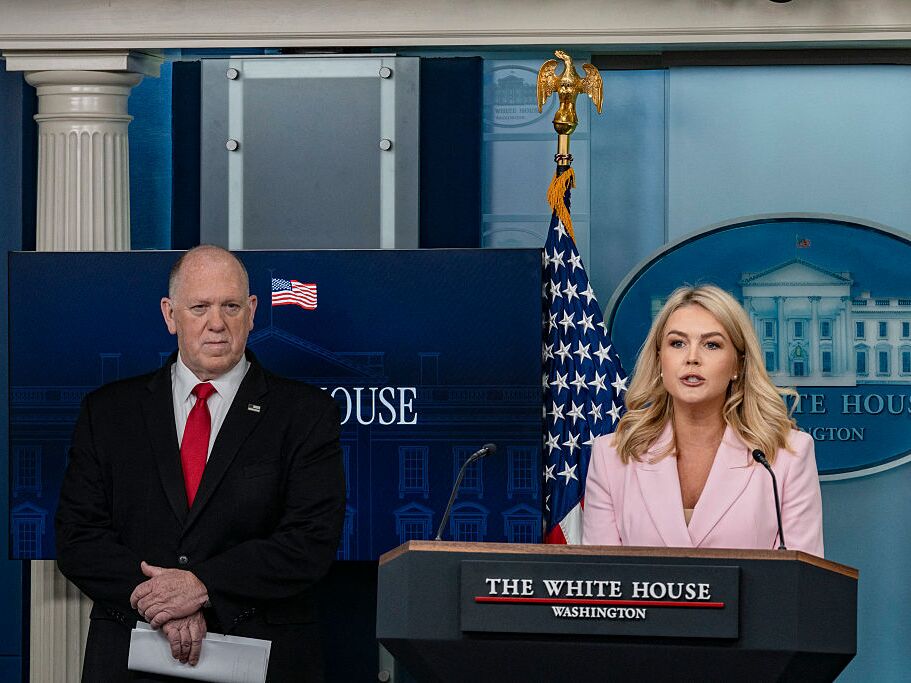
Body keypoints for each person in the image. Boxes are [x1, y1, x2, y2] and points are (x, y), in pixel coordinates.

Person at [55, 245, 346, 682]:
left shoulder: (306, 414)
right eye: (200, 307)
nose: (217, 323)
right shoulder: (108, 412)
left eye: (230, 306)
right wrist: (160, 604)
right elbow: (78, 537)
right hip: (133, 657)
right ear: (170, 315)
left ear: (251, 311)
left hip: (263, 655)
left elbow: (310, 540)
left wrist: (201, 586)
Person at [581, 284, 823, 556]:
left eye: (711, 344)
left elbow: (800, 584)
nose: (692, 358)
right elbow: (600, 584)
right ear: (660, 359)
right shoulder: (611, 456)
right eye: (677, 343)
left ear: (737, 365)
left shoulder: (786, 455)